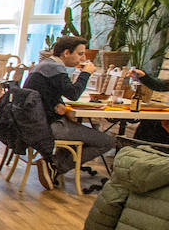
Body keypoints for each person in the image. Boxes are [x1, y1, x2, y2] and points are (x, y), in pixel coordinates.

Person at [22, 35, 114, 173]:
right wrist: (86, 73)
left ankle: (54, 163)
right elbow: (73, 94)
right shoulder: (55, 68)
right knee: (108, 142)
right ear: (66, 53)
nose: (82, 59)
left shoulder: (44, 65)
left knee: (81, 133)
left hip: (32, 123)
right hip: (47, 126)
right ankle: (56, 166)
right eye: (80, 54)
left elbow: (45, 93)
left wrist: (58, 105)